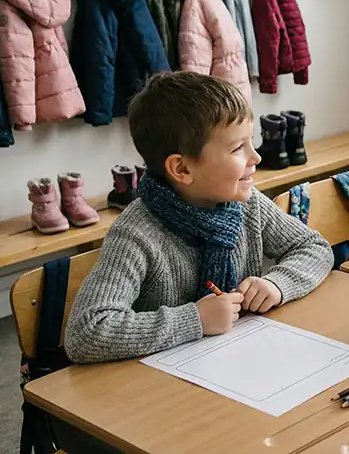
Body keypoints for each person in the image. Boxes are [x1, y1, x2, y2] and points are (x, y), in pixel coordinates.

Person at [65, 72, 333, 363]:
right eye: (237, 148)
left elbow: (314, 248)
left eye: (250, 142)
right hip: (161, 386)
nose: (256, 158)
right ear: (182, 170)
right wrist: (195, 320)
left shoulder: (246, 204)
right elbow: (86, 333)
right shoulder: (136, 233)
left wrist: (277, 284)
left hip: (240, 360)